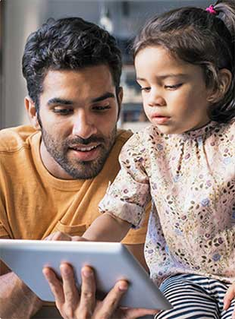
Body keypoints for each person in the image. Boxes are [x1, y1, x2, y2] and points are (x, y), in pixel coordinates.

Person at [45, 1, 235, 318]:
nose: (153, 99)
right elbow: (119, 213)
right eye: (144, 87)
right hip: (182, 279)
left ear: (217, 84)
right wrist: (84, 246)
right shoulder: (145, 147)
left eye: (170, 85)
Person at [0, 17, 152, 319]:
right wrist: (51, 263)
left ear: (119, 102)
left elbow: (142, 296)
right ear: (34, 112)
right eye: (63, 110)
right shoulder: (3, 162)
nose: (84, 129)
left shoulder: (145, 164)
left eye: (100, 108)